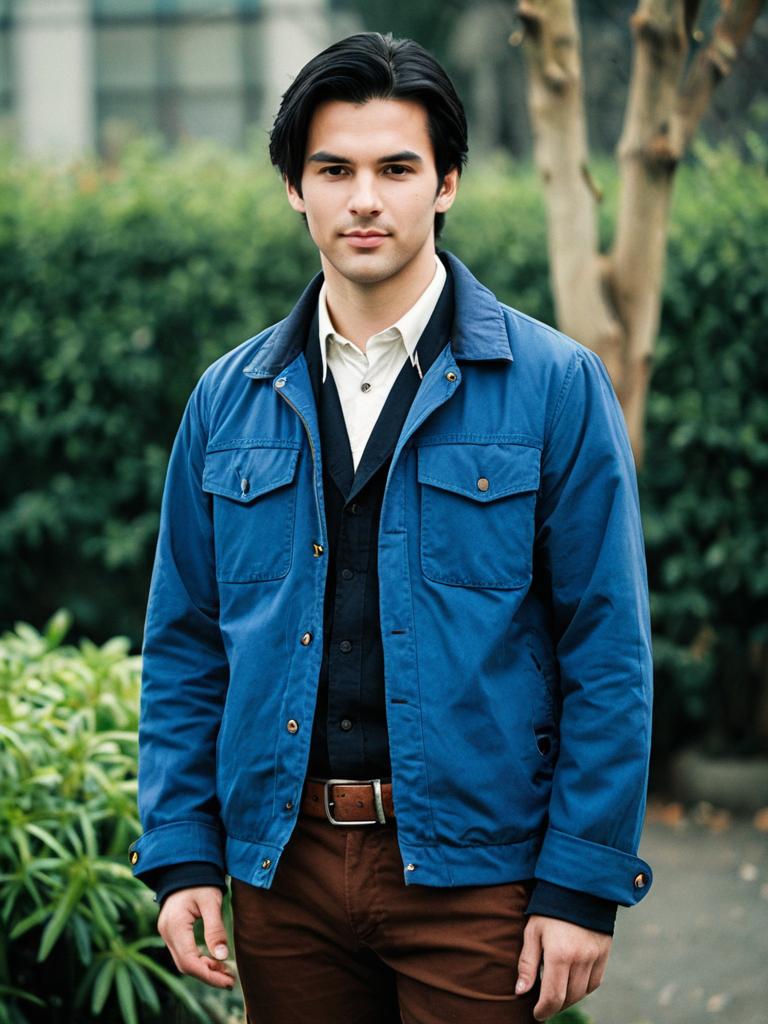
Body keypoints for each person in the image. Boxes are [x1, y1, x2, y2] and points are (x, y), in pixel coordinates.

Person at [129, 31, 654, 1024]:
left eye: (396, 167)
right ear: (295, 186)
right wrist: (184, 853)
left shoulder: (553, 387)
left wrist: (582, 882)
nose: (363, 197)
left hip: (476, 871)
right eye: (334, 168)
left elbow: (608, 649)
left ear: (446, 182)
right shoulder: (227, 398)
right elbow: (187, 644)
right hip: (283, 875)